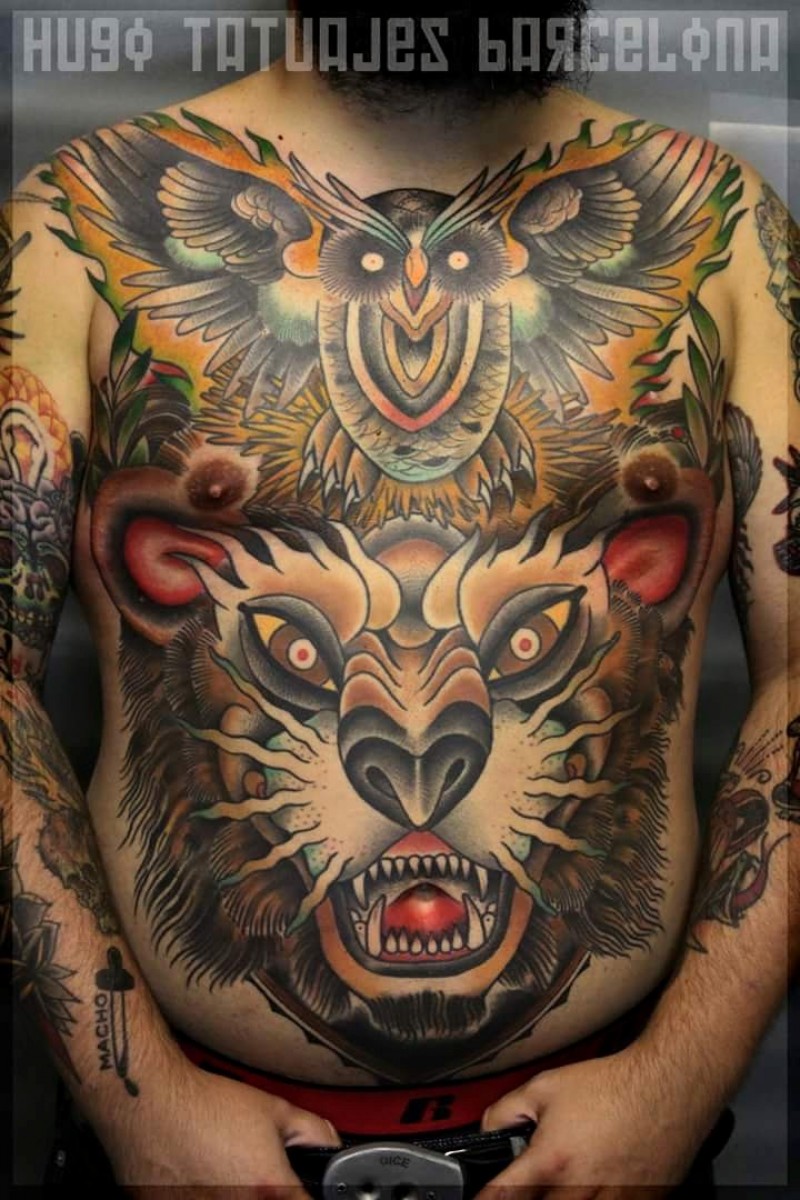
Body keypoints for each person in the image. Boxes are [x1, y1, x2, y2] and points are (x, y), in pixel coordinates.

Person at [3, 4, 798, 1195]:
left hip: (613, 1134)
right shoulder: (74, 223)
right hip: (187, 1138)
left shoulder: (720, 227)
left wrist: (676, 1080)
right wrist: (141, 1103)